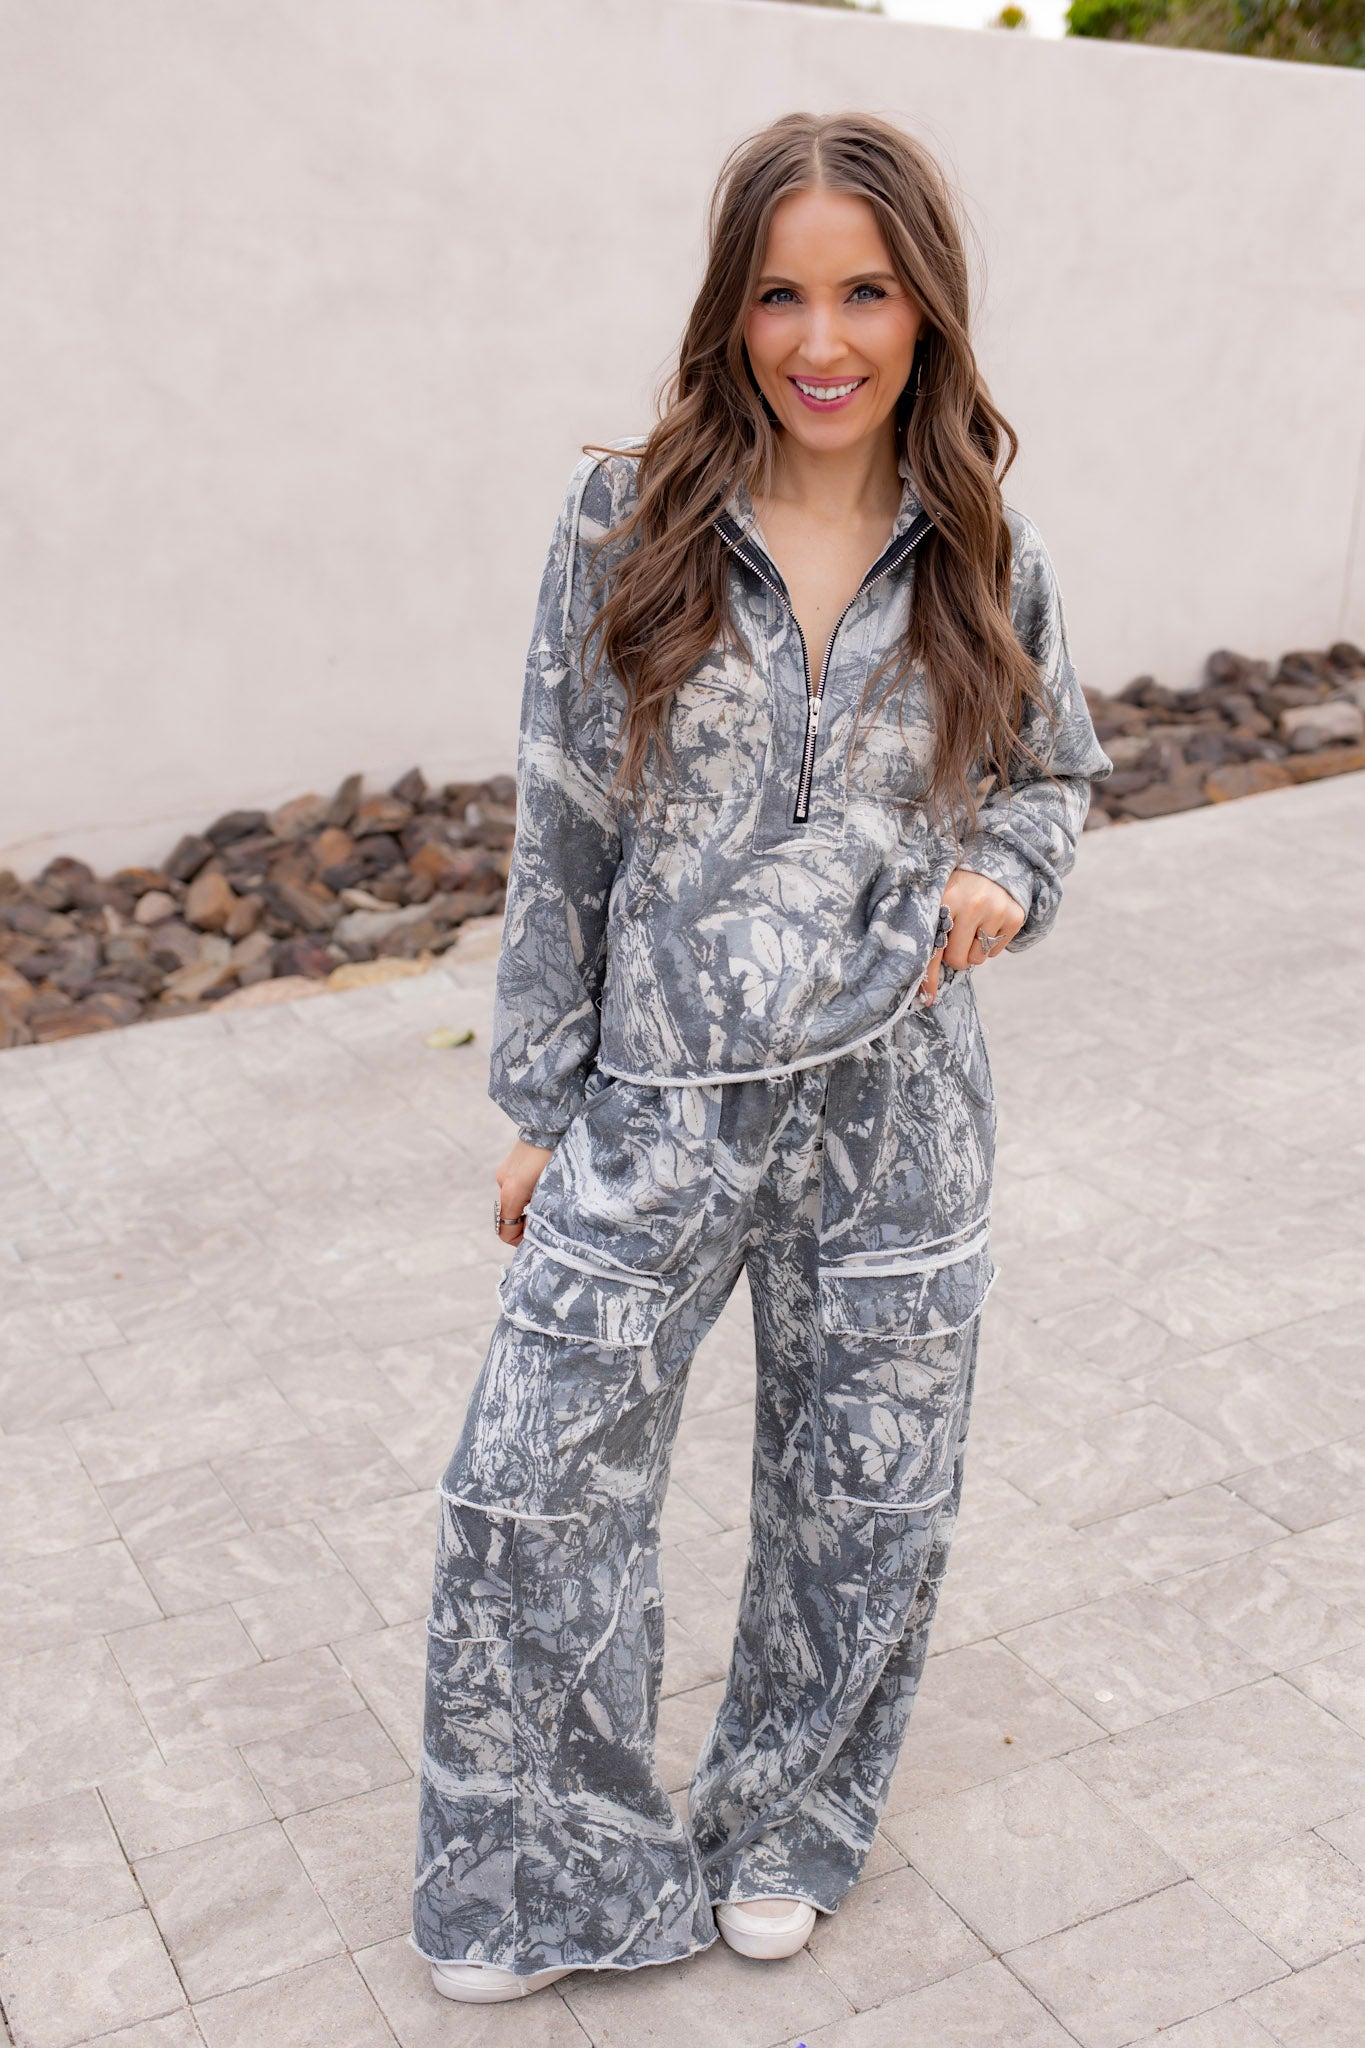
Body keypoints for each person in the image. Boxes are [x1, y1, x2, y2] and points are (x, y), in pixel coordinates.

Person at [410, 108, 1113, 2006]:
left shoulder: (986, 550)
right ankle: (547, 1875)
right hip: (656, 1109)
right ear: (729, 308)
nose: (822, 339)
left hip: (898, 1115)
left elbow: (1053, 778)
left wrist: (1002, 879)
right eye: (781, 294)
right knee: (528, 1485)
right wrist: (539, 1106)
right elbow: (562, 822)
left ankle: (785, 1826)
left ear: (923, 309)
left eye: (864, 292)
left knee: (861, 1506)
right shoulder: (621, 526)